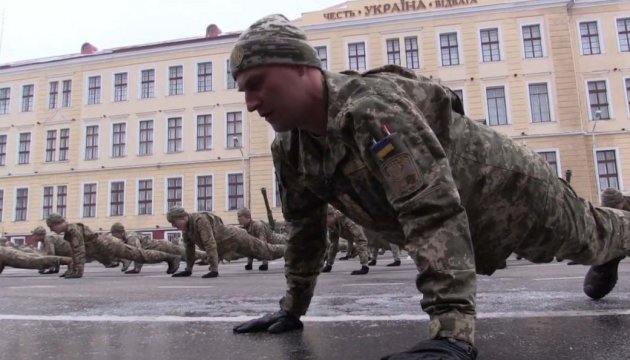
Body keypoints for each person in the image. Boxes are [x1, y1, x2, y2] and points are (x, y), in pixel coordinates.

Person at [228, 14, 630, 359]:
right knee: (583, 241)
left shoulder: (371, 109)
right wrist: (291, 309)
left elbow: (429, 208)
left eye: (258, 83)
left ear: (301, 66)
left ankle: (620, 237)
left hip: (510, 192)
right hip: (463, 222)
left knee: (588, 236)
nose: (250, 102)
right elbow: (305, 231)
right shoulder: (291, 148)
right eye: (244, 89)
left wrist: (452, 334)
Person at [45, 214, 180, 278]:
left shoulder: (73, 230)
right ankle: (170, 258)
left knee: (140, 255)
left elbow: (79, 251)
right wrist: (71, 270)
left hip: (109, 246)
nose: (52, 230)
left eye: (52, 227)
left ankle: (170, 258)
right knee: (139, 255)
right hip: (104, 249)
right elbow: (75, 253)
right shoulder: (70, 231)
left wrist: (77, 272)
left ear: (58, 224)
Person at [166, 207, 286, 279]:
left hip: (237, 238)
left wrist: (214, 270)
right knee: (265, 252)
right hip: (227, 247)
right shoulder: (187, 229)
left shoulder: (199, 220)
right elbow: (189, 249)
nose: (174, 226)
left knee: (268, 251)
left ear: (182, 217)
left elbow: (210, 244)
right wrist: (188, 269)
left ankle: (292, 249)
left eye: (174, 222)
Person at [583, 188, 629, 299]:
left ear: (621, 203)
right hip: (614, 244)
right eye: (609, 209)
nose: (613, 212)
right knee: (593, 290)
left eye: (615, 208)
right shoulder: (600, 214)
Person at [109, 222, 207, 274]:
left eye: (115, 234)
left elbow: (137, 253)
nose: (114, 237)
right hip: (161, 248)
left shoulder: (131, 237)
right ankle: (210, 257)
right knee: (188, 256)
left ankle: (212, 255)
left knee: (191, 254)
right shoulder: (127, 238)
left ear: (120, 232)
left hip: (164, 247)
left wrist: (136, 269)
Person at [322, 205, 370, 275]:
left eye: (325, 219)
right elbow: (333, 244)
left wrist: (364, 266)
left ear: (333, 215)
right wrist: (329, 265)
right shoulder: (331, 224)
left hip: (372, 232)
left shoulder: (348, 219)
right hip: (353, 237)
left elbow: (361, 240)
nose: (325, 222)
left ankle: (366, 264)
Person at [0, 240, 71, 275]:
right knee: (34, 259)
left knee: (33, 261)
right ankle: (68, 260)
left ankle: (69, 261)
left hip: (4, 254)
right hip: (4, 252)